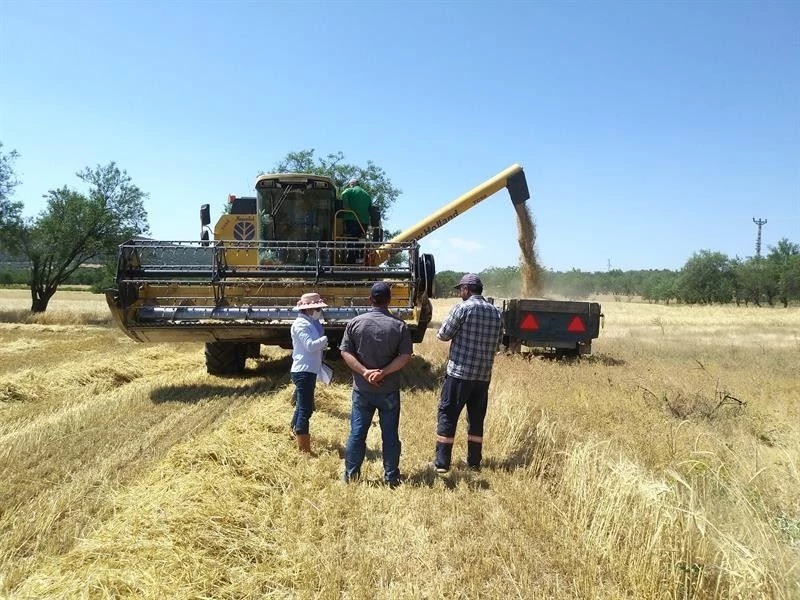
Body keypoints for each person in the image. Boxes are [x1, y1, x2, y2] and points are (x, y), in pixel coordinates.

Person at [340, 282, 413, 487]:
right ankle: (391, 477)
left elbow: (345, 352)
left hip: (362, 390)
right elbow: (405, 356)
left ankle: (351, 476)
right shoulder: (399, 326)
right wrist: (383, 372)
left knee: (357, 433)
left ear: (370, 299)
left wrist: (365, 372)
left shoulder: (355, 323)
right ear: (389, 300)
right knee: (390, 435)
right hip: (388, 390)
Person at [433, 273, 503, 474]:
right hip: (482, 376)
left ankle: (442, 463)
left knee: (448, 414)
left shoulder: (463, 308)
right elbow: (498, 344)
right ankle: (474, 462)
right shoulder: (496, 312)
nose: (460, 293)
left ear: (466, 289)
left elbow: (443, 335)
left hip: (459, 374)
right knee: (476, 418)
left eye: (460, 290)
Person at [290, 292, 329, 454]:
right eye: (317, 308)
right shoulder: (300, 325)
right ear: (309, 309)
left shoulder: (311, 323)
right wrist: (325, 340)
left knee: (302, 407)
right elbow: (310, 345)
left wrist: (320, 327)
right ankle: (304, 448)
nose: (319, 310)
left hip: (309, 370)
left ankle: (293, 431)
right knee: (306, 409)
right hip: (303, 371)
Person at [340, 177, 372, 263]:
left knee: (351, 239)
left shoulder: (349, 191)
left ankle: (351, 259)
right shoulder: (367, 195)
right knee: (361, 239)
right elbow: (370, 209)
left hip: (351, 219)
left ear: (351, 184)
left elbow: (343, 194)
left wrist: (346, 207)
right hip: (364, 222)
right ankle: (360, 259)